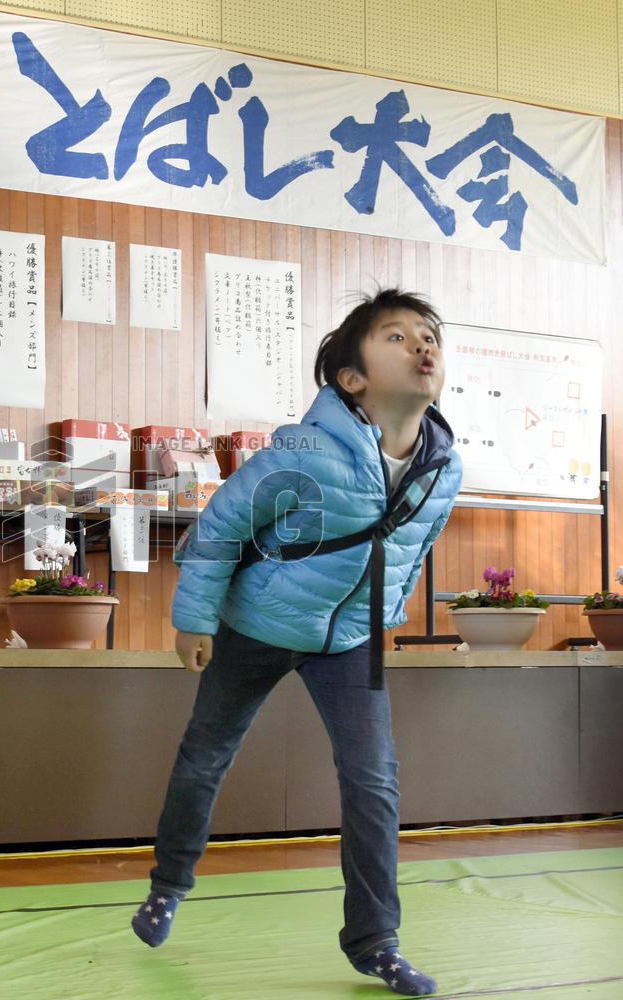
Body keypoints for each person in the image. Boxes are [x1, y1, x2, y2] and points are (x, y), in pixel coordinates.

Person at [131, 289, 462, 997]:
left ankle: (376, 941)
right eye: (397, 337)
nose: (421, 345)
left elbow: (413, 550)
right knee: (205, 755)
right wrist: (194, 618)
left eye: (429, 335)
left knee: (373, 781)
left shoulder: (444, 466)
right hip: (256, 622)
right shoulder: (308, 448)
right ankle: (169, 884)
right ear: (352, 378)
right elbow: (222, 522)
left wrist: (383, 622)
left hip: (348, 638)